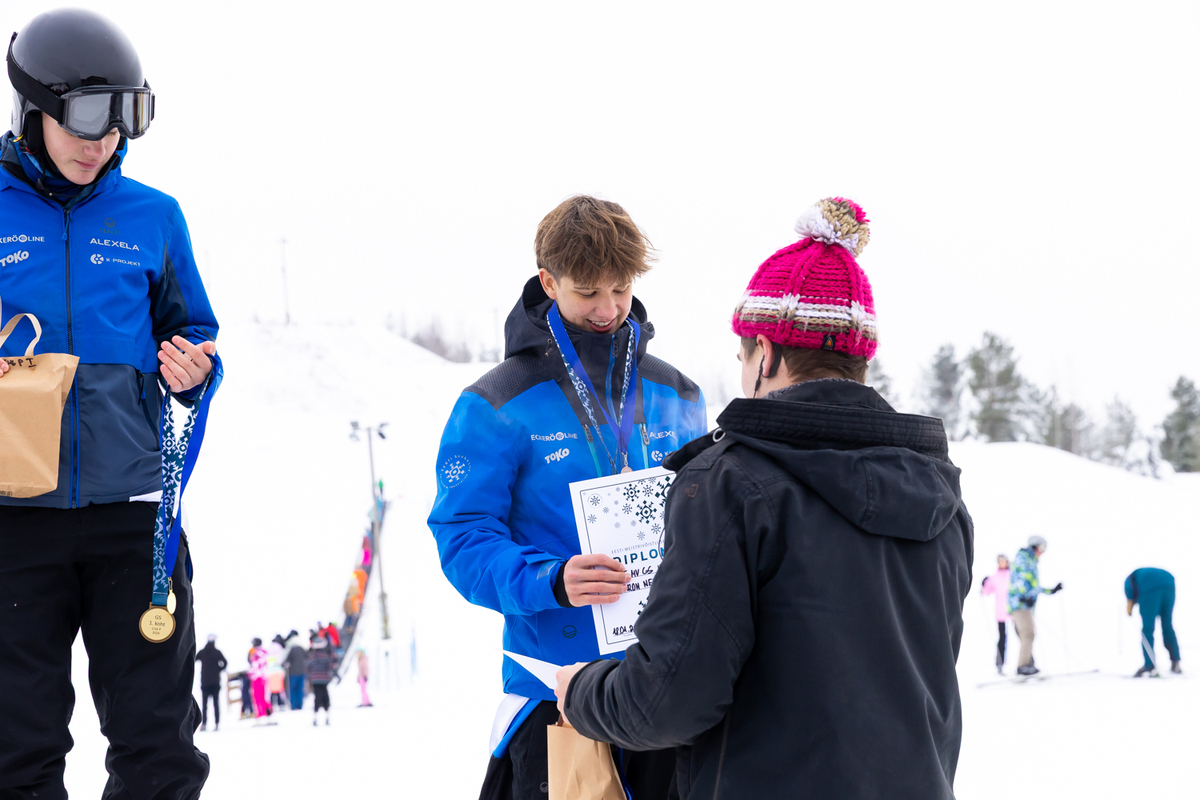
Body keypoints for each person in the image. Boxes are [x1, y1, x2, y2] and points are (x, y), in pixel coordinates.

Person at [553, 199, 974, 798]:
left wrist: (582, 690)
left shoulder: (730, 484)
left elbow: (664, 703)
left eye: (743, 356)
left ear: (765, 355)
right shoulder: (939, 493)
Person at [0, 10, 218, 796]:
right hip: (13, 517)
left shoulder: (153, 216)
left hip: (134, 516)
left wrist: (193, 370)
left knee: (158, 746)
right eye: (84, 121)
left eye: (121, 122)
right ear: (34, 108)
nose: (101, 143)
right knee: (16, 749)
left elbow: (193, 332)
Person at [429, 195, 708, 800]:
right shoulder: (495, 403)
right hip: (555, 692)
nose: (608, 309)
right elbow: (462, 536)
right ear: (549, 282)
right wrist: (551, 580)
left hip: (669, 686)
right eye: (587, 292)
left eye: (621, 289)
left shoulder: (678, 393)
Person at [1007, 535, 1063, 676]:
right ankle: (1023, 666)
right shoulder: (1023, 559)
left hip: (1024, 604)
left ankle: (1028, 663)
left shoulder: (1030, 560)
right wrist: (1024, 597)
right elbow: (1019, 579)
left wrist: (1051, 591)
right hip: (1020, 604)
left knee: (1026, 634)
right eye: (1041, 548)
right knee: (1028, 633)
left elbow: (1033, 586)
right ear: (1035, 546)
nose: (1042, 552)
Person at [1125, 568, 1181, 677]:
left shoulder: (1130, 578)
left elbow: (1129, 590)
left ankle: (1149, 665)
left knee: (1148, 629)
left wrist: (1130, 606)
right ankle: (1176, 662)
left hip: (1149, 588)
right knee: (1167, 626)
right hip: (1169, 585)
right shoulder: (1138, 573)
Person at [981, 554, 1012, 673]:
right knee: (1002, 638)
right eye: (1000, 561)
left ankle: (1026, 662)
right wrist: (984, 584)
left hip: (1014, 611)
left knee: (1023, 635)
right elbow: (986, 592)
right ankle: (1000, 663)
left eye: (1004, 561)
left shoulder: (1013, 575)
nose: (1002, 563)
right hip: (1001, 613)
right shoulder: (994, 578)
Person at [195, 635, 228, 731]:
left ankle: (204, 724)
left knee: (204, 704)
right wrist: (218, 669)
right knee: (216, 704)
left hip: (205, 682)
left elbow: (194, 659)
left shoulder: (202, 652)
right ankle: (217, 723)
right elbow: (225, 663)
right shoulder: (217, 652)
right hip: (215, 682)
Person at [307, 635, 334, 726]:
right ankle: (327, 716)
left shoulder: (312, 657)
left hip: (315, 680)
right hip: (324, 679)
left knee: (317, 697)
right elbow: (330, 666)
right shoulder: (326, 656)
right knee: (325, 696)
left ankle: (315, 716)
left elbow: (308, 667)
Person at [284, 632, 309, 710]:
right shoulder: (302, 647)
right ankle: (300, 705)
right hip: (302, 671)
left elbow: (286, 660)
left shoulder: (291, 648)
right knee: (300, 689)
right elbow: (307, 657)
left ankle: (294, 705)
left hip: (293, 672)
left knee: (293, 689)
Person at [248, 638, 270, 718]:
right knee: (263, 696)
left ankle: (261, 714)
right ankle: (268, 712)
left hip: (257, 677)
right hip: (264, 676)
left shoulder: (256, 653)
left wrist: (250, 673)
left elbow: (254, 666)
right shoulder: (264, 652)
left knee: (257, 696)